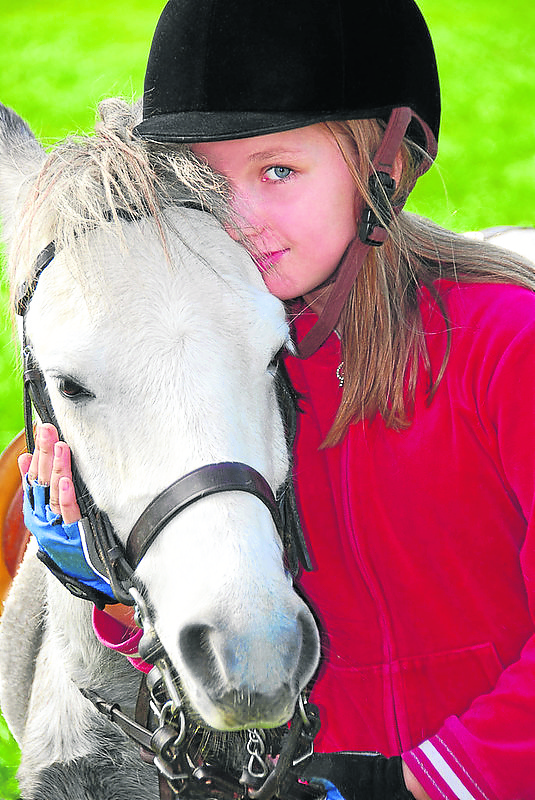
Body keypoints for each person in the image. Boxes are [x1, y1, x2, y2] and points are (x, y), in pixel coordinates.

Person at [19, 1, 535, 799]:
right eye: (204, 179)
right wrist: (112, 585)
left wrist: (427, 784)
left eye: (277, 171)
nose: (239, 220)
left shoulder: (508, 345)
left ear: (385, 171)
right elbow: (223, 607)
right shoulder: (213, 355)